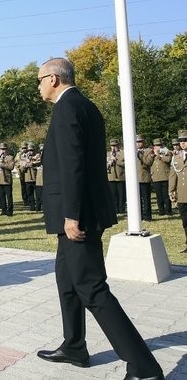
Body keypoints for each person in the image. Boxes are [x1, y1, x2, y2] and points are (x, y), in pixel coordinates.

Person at [36, 58, 163, 380]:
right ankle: (74, 345)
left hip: (78, 215)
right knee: (67, 281)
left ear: (53, 79)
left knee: (92, 288)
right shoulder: (84, 105)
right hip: (81, 211)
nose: (37, 86)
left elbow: (73, 166)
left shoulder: (68, 108)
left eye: (38, 80)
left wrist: (71, 215)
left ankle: (145, 367)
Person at [168, 130, 187, 253]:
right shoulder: (176, 157)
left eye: (185, 141)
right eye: (181, 141)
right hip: (182, 195)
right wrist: (171, 191)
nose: (183, 143)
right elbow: (173, 175)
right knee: (185, 222)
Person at [150, 139, 173, 216]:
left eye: (159, 145)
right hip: (156, 177)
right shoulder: (152, 153)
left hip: (165, 176)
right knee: (159, 196)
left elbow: (168, 160)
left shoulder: (167, 152)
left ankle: (168, 211)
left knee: (166, 196)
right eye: (156, 145)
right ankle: (161, 211)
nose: (158, 147)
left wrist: (159, 155)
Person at [136, 135, 155, 221]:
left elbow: (149, 162)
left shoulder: (149, 151)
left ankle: (147, 216)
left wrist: (140, 156)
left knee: (146, 199)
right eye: (137, 142)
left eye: (140, 142)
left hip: (144, 178)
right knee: (137, 199)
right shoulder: (132, 151)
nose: (138, 144)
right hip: (134, 179)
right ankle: (139, 216)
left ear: (143, 142)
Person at [0, 142, 15, 216]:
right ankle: (3, 210)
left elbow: (11, 167)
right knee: (1, 196)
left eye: (4, 149)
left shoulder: (10, 157)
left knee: (9, 196)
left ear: (7, 149)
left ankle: (10, 211)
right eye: (1, 149)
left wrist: (2, 164)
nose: (3, 151)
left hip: (7, 180)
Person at [107, 139, 126, 214]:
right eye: (112, 146)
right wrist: (109, 163)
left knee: (121, 195)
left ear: (118, 145)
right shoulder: (108, 154)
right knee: (113, 195)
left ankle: (122, 209)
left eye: (115, 145)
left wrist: (117, 161)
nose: (114, 147)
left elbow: (126, 163)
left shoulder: (123, 153)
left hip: (120, 176)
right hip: (111, 177)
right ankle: (115, 210)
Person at [33, 143, 44, 213]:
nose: (42, 151)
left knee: (44, 196)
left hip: (44, 180)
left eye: (43, 150)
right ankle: (38, 207)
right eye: (41, 150)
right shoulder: (37, 156)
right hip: (38, 180)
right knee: (37, 195)